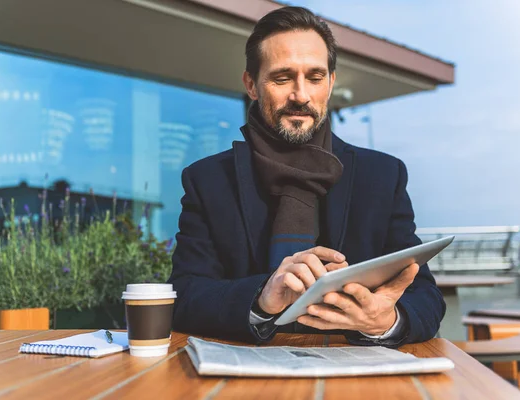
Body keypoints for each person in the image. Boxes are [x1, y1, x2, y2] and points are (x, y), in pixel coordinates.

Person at [168, 6, 445, 346]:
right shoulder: (208, 179)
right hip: (241, 374)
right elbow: (183, 296)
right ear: (251, 85)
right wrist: (261, 298)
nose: (300, 95)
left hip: (356, 377)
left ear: (330, 83)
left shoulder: (383, 176)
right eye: (282, 78)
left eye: (314, 78)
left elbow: (427, 299)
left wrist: (385, 320)